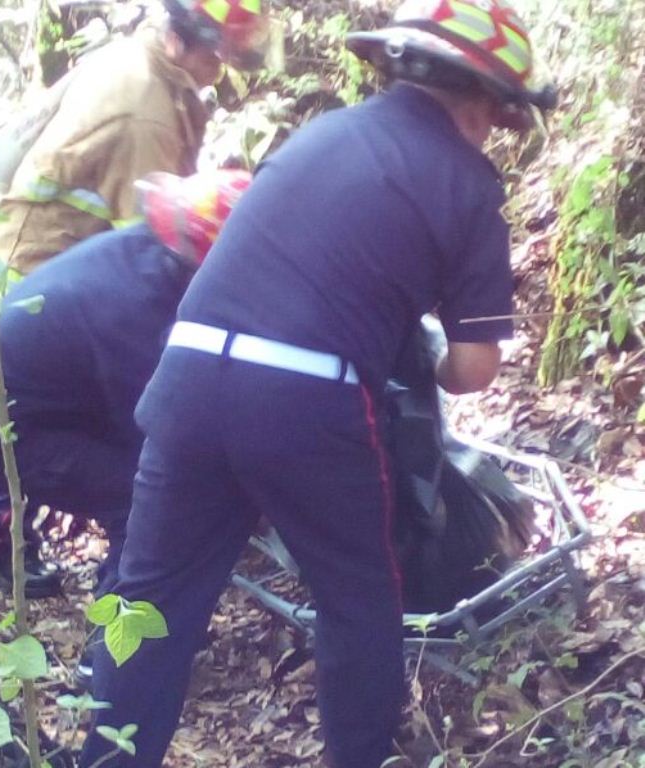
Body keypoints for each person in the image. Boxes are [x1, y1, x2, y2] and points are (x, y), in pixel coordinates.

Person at [79, 1, 557, 766]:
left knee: (152, 600)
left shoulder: (320, 134)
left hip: (186, 378)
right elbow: (471, 372)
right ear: (482, 101)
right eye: (501, 117)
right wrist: (422, 352)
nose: (493, 132)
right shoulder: (465, 185)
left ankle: (107, 757)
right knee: (358, 602)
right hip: (301, 404)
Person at [0, 170, 251, 603]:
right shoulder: (139, 307)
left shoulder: (140, 250)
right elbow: (148, 428)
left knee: (41, 406)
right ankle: (110, 650)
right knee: (143, 495)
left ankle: (3, 546)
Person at [0, 0, 270, 275]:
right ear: (176, 40)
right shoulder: (147, 116)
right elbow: (154, 245)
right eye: (212, 59)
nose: (217, 74)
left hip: (64, 256)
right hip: (38, 272)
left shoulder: (145, 60)